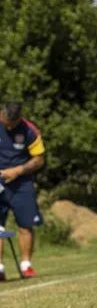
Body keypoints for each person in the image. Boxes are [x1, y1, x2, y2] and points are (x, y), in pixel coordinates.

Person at [0, 102, 46, 280]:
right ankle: (0, 268)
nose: (10, 126)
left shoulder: (29, 130)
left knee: (26, 225)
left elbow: (39, 158)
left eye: (13, 122)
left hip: (22, 184)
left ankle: (26, 265)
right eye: (6, 122)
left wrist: (17, 171)